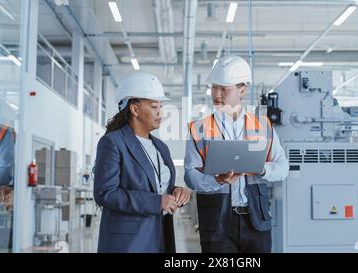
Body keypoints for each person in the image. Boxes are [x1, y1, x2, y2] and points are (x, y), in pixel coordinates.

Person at [184, 55, 288, 253]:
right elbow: (190, 175)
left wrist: (260, 168)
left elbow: (283, 167)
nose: (217, 94)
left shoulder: (263, 126)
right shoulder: (199, 128)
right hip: (217, 223)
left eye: (225, 89)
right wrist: (217, 180)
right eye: (214, 87)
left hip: (255, 221)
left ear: (242, 90)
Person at [94, 72, 190, 253]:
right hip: (129, 243)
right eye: (154, 106)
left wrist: (176, 192)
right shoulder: (113, 143)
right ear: (135, 109)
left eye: (161, 106)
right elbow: (105, 193)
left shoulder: (160, 147)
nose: (160, 112)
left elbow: (156, 187)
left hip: (160, 237)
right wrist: (156, 202)